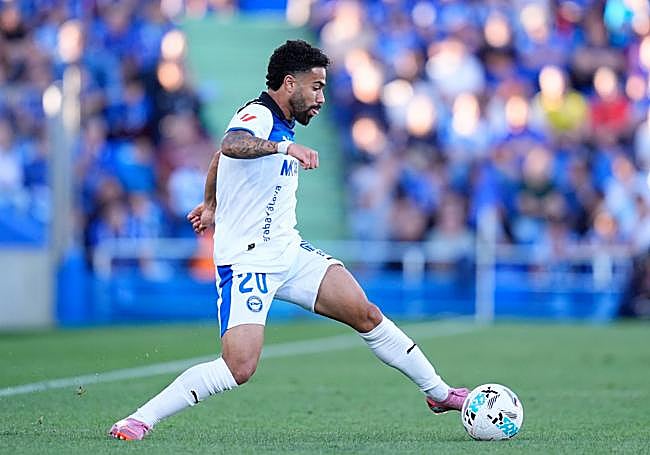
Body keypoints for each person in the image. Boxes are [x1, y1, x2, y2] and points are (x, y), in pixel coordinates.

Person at [109, 40, 469, 441]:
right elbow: (229, 146)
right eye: (316, 87)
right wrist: (284, 148)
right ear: (289, 84)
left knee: (366, 314)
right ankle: (139, 419)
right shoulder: (259, 114)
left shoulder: (281, 122)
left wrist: (210, 203)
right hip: (247, 262)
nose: (321, 98)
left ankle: (440, 393)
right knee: (238, 368)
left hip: (289, 252)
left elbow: (218, 157)